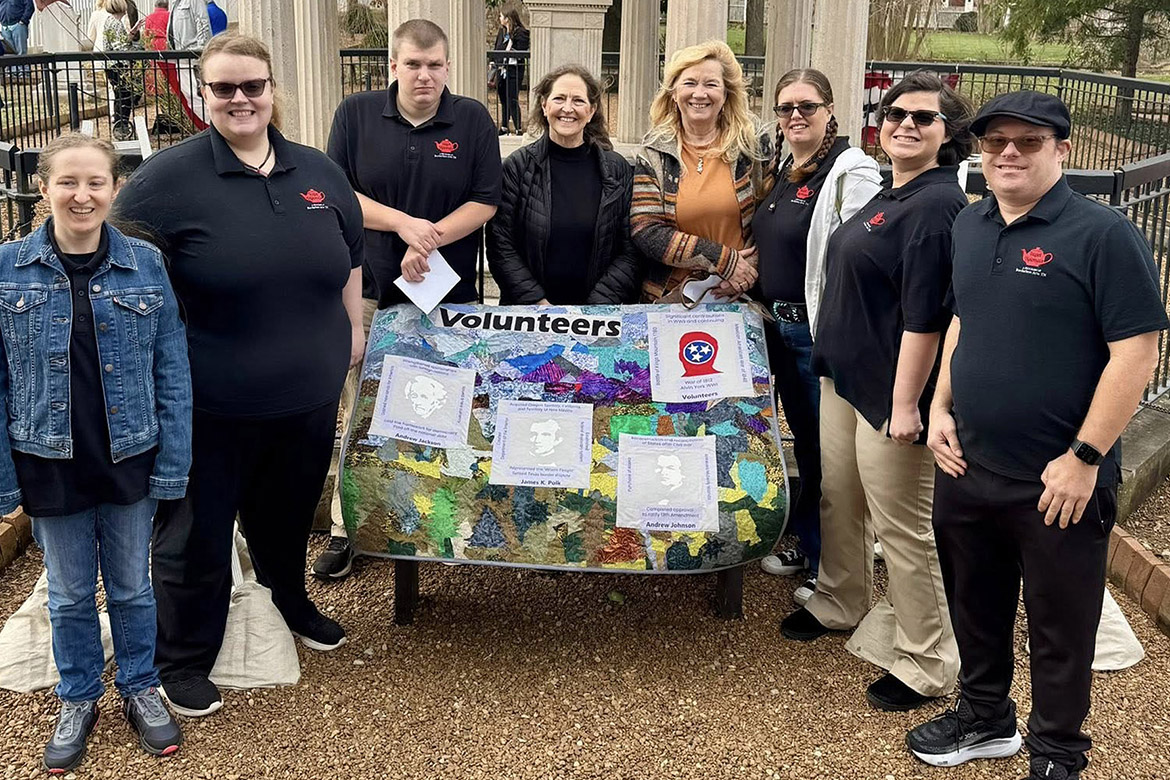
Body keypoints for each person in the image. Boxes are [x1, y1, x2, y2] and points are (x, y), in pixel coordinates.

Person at [906, 92, 1168, 780]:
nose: (1009, 153)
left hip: (1059, 481)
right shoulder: (971, 225)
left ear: (1063, 150)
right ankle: (986, 718)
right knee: (975, 607)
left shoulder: (1102, 234)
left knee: (1060, 626)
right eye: (995, 143)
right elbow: (963, 319)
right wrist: (939, 410)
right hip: (969, 466)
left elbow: (1137, 351)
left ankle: (1057, 753)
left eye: (1028, 141)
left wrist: (1085, 458)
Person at [114, 32, 366, 718]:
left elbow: (349, 255)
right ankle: (184, 657)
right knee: (196, 534)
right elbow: (116, 265)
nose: (240, 99)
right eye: (223, 88)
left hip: (307, 399)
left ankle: (290, 601)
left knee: (285, 519)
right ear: (205, 94)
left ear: (272, 89)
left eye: (252, 85)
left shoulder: (317, 170)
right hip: (210, 404)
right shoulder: (168, 179)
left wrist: (354, 329)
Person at [779, 71, 974, 713]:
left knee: (904, 527)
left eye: (924, 117)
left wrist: (906, 405)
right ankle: (840, 598)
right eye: (895, 114)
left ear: (948, 135)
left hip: (893, 392)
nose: (906, 125)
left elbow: (926, 315)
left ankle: (926, 660)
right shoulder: (892, 191)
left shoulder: (938, 206)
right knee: (840, 497)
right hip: (844, 376)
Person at [0, 133, 189, 772]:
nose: (82, 196)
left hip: (128, 452)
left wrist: (173, 460)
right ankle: (78, 694)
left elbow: (172, 368)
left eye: (96, 183)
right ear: (45, 188)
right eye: (68, 183)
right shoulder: (7, 269)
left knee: (134, 586)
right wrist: (4, 480)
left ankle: (139, 685)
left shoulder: (144, 265)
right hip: (48, 457)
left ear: (114, 189)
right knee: (71, 592)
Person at [318, 18, 501, 578]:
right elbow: (338, 192)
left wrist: (431, 239)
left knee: (446, 411)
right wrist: (405, 226)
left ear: (448, 67)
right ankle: (349, 529)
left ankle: (441, 523)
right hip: (368, 293)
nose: (425, 75)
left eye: (435, 65)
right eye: (413, 64)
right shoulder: (355, 115)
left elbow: (485, 199)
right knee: (362, 412)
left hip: (449, 299)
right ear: (392, 65)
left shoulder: (471, 118)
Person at [752, 68, 881, 607]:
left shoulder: (850, 171)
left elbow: (863, 253)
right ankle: (807, 540)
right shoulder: (785, 169)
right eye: (785, 108)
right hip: (772, 326)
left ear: (830, 109)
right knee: (804, 440)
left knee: (829, 451)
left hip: (813, 331)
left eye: (806, 105)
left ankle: (834, 561)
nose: (795, 116)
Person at [488, 63, 640, 305]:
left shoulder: (617, 170)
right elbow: (500, 243)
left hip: (598, 316)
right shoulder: (518, 167)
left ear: (591, 111)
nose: (567, 108)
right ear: (544, 105)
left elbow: (631, 248)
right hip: (533, 316)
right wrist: (537, 303)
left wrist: (595, 309)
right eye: (559, 98)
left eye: (578, 101)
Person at [630, 40, 770, 304]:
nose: (699, 93)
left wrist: (748, 270)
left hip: (740, 293)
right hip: (672, 297)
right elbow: (645, 229)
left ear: (726, 93)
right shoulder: (654, 153)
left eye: (711, 84)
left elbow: (774, 214)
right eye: (690, 83)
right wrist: (723, 260)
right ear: (673, 93)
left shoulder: (752, 147)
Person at [100, 0, 139, 141]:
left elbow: (119, 42)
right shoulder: (115, 23)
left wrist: (131, 34)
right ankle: (121, 126)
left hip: (112, 65)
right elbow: (120, 48)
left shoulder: (110, 21)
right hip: (118, 66)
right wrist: (135, 50)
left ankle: (121, 125)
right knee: (124, 97)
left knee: (121, 96)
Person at [491, 5, 528, 136]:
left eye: (501, 16)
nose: (499, 18)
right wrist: (494, 61)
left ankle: (518, 127)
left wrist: (510, 51)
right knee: (503, 98)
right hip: (502, 69)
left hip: (513, 70)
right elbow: (497, 48)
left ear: (508, 18)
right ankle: (504, 126)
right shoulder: (502, 33)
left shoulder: (521, 32)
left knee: (512, 97)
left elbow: (522, 52)